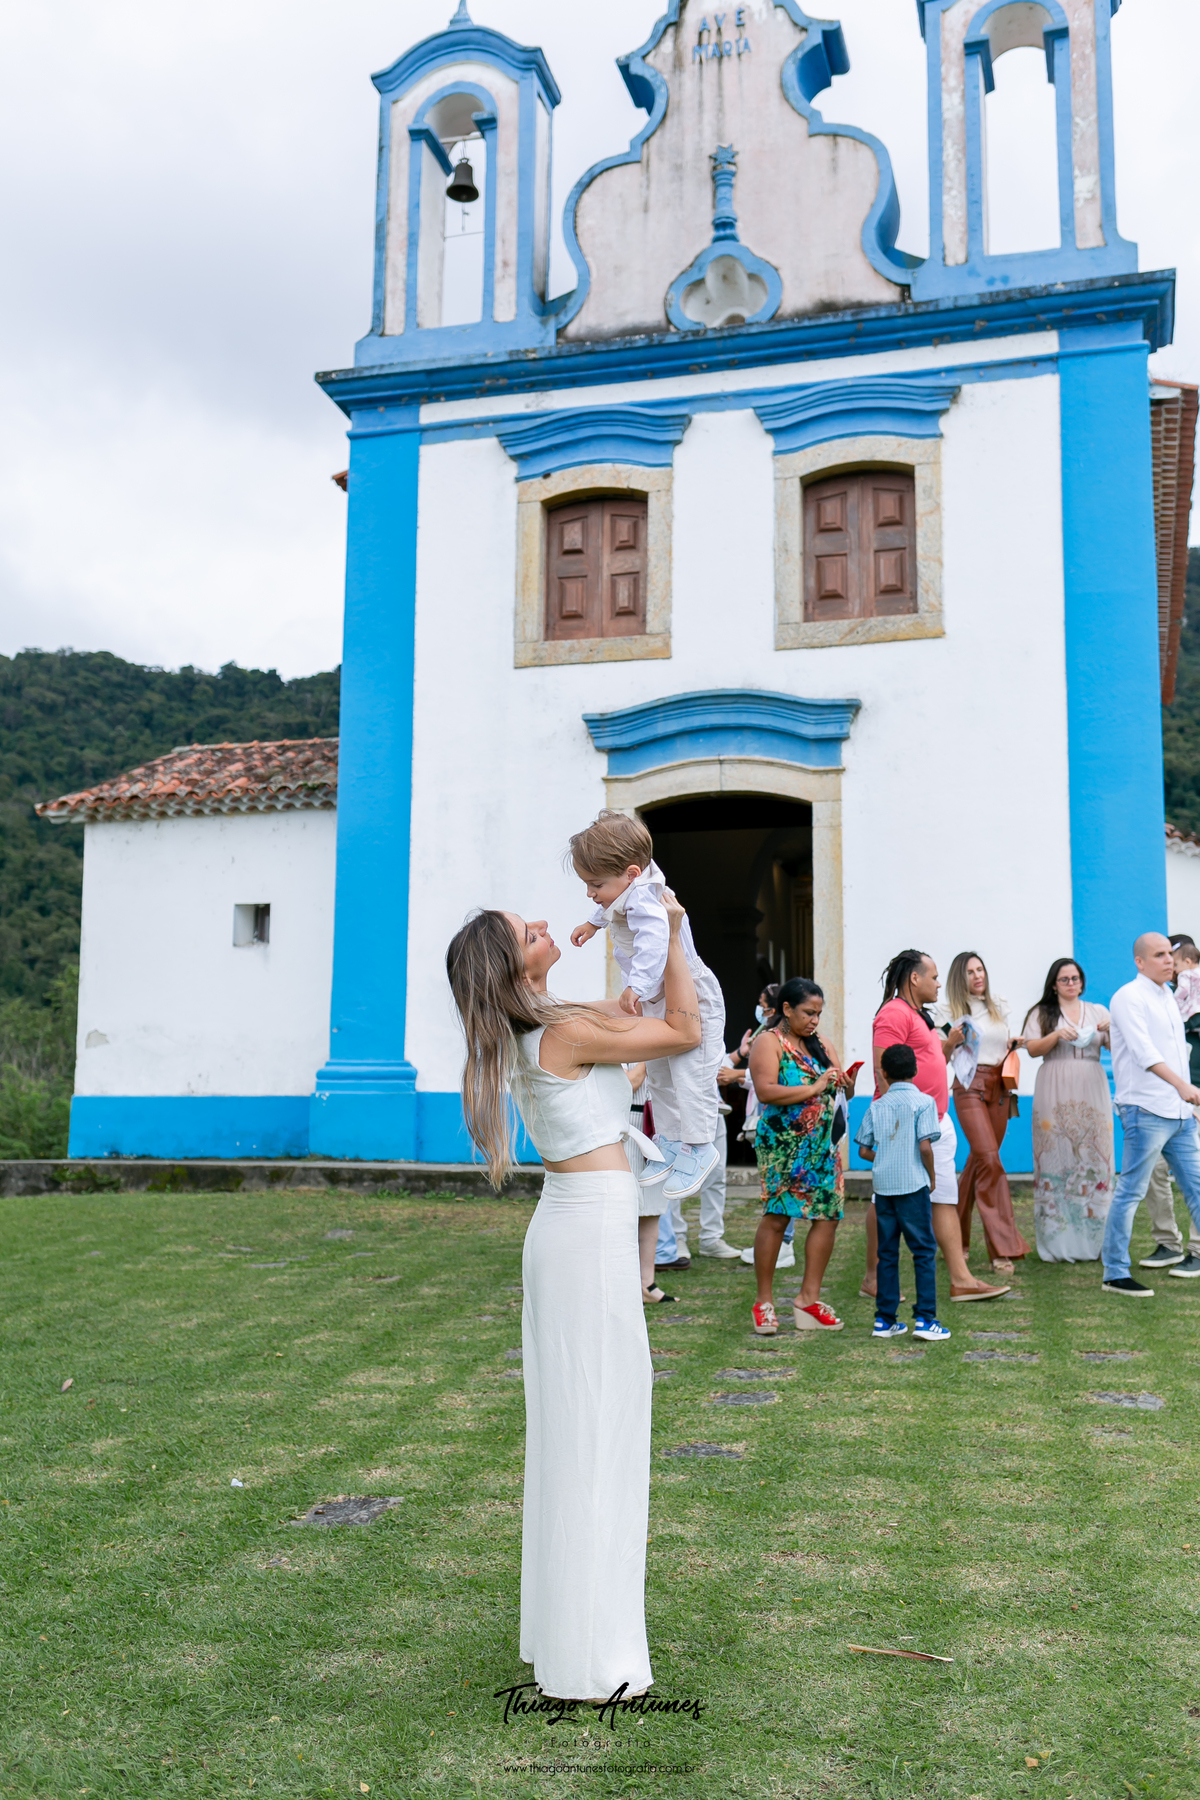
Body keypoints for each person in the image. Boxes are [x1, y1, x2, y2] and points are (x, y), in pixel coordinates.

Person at [445, 895, 701, 1699]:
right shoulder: (560, 1030)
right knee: (597, 1430)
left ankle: (577, 1638)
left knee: (583, 1431)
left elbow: (630, 1019)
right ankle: (592, 1658)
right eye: (532, 934)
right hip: (586, 1238)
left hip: (572, 1231)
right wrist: (680, 929)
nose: (547, 929)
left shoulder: (548, 1025)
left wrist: (637, 932)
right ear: (514, 965)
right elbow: (684, 1030)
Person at [570, 811, 726, 1201]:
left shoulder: (646, 898)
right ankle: (672, 1142)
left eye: (595, 884)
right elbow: (612, 901)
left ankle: (700, 1146)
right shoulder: (628, 886)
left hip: (691, 994)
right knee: (659, 1075)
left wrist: (635, 985)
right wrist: (594, 923)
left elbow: (656, 940)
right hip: (658, 999)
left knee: (692, 1075)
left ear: (632, 872)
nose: (591, 892)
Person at [869, 950, 1008, 1302]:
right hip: (908, 1125)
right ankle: (873, 1278)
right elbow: (882, 1070)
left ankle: (961, 1280)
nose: (937, 983)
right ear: (914, 978)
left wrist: (948, 1046)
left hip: (935, 1120)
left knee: (944, 1196)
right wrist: (902, 1129)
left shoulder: (921, 1016)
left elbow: (929, 1062)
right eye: (932, 976)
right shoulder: (893, 1014)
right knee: (884, 1199)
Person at [747, 976, 856, 1335]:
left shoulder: (821, 1043)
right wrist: (814, 1087)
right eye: (808, 1012)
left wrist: (846, 1084)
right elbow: (765, 1091)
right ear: (787, 1009)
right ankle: (764, 1302)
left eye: (819, 1014)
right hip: (783, 1146)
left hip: (823, 1144)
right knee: (778, 1216)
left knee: (827, 1216)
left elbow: (836, 1087)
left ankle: (808, 1300)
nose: (814, 1020)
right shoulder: (768, 1042)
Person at [1102, 931, 1200, 1297]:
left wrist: (1187, 1103)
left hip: (1179, 1113)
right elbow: (1145, 1055)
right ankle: (1114, 1273)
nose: (1169, 960)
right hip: (1145, 1110)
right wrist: (1183, 1088)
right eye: (1159, 955)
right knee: (1130, 1192)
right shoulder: (1127, 997)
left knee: (1197, 1188)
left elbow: (1179, 1053)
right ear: (1140, 962)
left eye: (1170, 954)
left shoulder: (1168, 996)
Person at [931, 952, 1031, 1276]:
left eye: (981, 969)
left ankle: (954, 1240)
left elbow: (1001, 1045)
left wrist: (1014, 1043)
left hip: (999, 1087)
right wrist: (950, 1042)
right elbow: (939, 1059)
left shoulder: (998, 1005)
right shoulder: (946, 1013)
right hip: (967, 1085)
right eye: (970, 972)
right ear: (959, 979)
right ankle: (1002, 1248)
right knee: (990, 1159)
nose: (978, 976)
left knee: (978, 1162)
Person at [855, 1043, 951, 1343]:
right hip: (913, 1185)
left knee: (887, 1251)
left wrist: (886, 1158)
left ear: (883, 1072)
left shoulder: (877, 1105)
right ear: (916, 1070)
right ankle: (925, 1318)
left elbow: (864, 1149)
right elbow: (925, 1146)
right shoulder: (924, 1103)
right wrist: (932, 1176)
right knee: (922, 1250)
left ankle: (884, 1320)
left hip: (884, 1187)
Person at [1022, 958, 1114, 1263]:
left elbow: (1116, 1047)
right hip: (1054, 1083)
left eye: (1075, 978)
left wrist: (1112, 1030)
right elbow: (1032, 1049)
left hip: (1091, 1082)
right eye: (1065, 979)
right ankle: (1058, 1240)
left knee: (1094, 1152)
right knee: (1055, 1153)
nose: (1071, 984)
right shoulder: (1041, 1013)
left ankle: (1095, 1240)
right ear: (1054, 984)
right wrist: (1057, 1035)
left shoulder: (1099, 1011)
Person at [1173, 939, 1200, 1085]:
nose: (1174, 969)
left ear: (1187, 962)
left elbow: (1182, 991)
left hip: (1191, 1014)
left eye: (1176, 964)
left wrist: (1174, 1002)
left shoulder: (1185, 975)